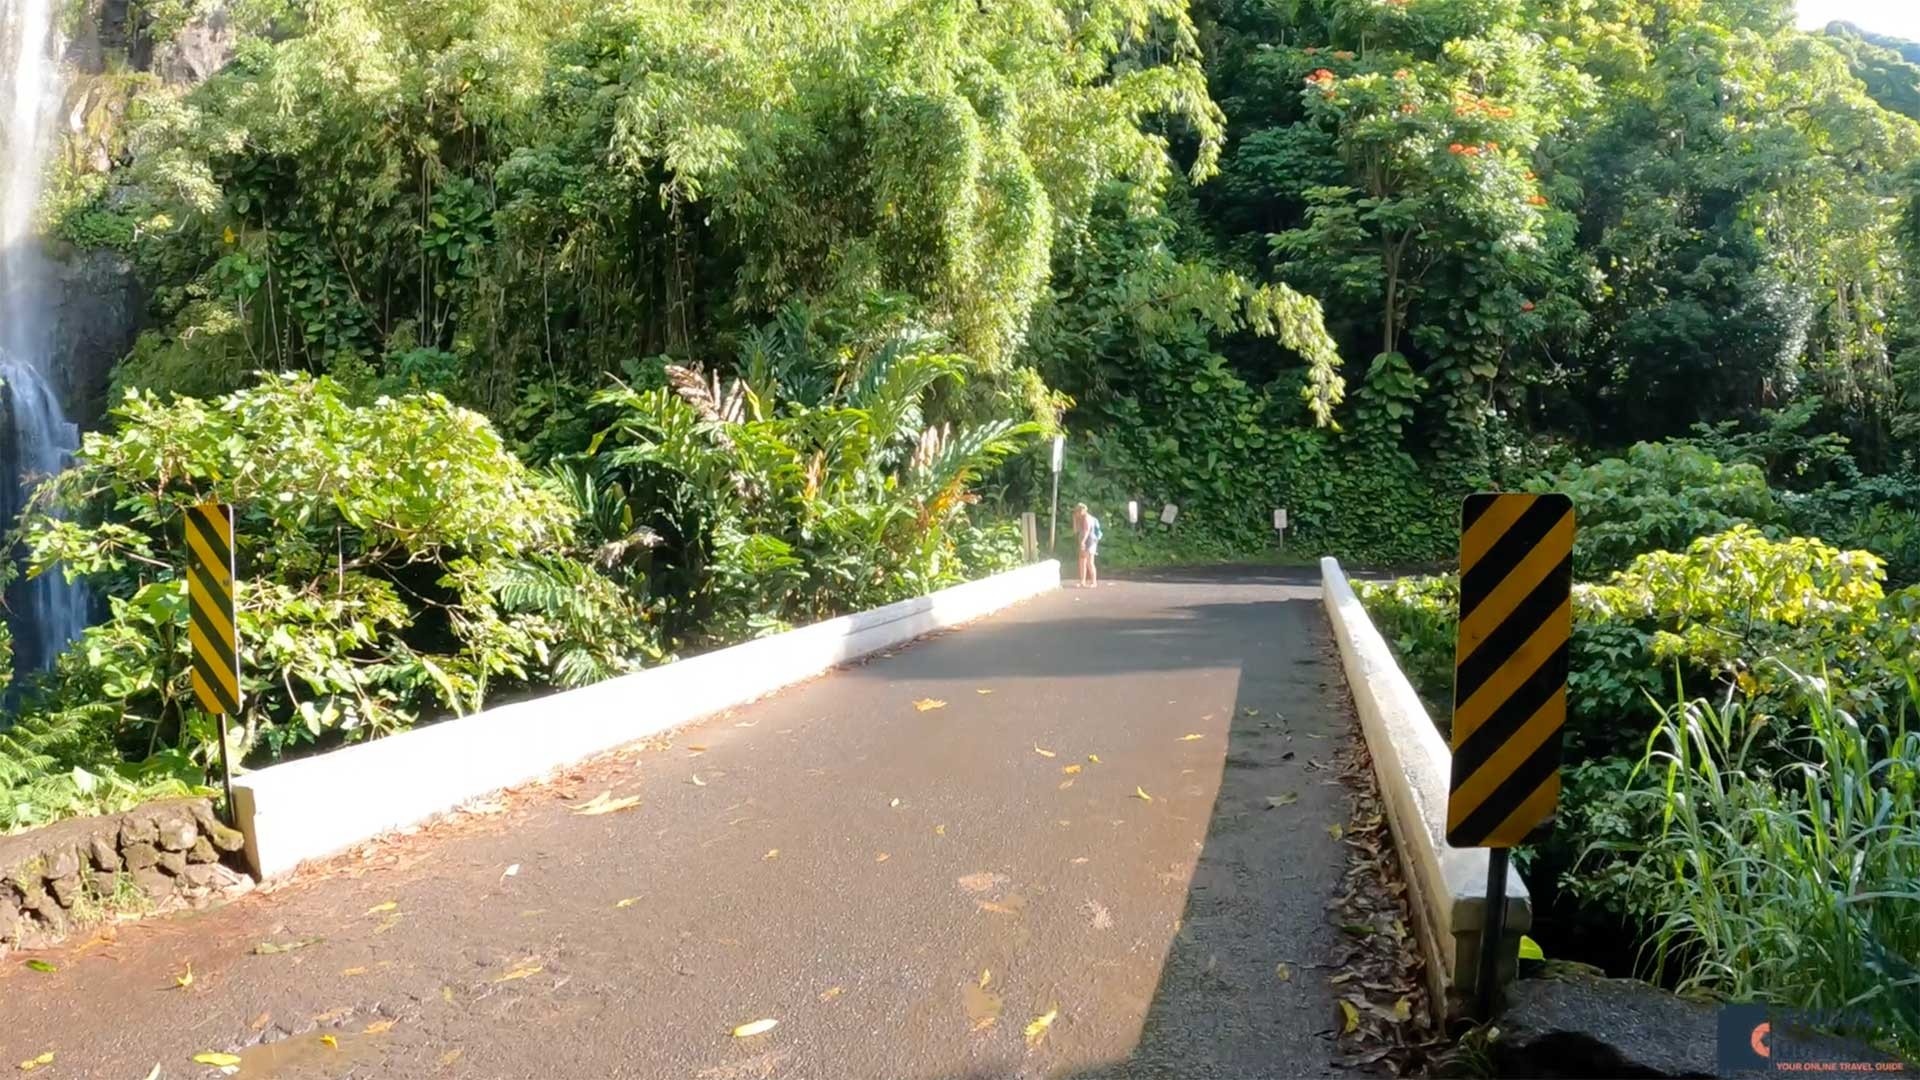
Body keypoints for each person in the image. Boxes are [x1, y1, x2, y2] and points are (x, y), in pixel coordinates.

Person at [1073, 503, 1102, 588]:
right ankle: (1082, 581)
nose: (1077, 513)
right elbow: (1075, 531)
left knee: (1090, 562)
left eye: (1078, 511)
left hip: (1090, 542)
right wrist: (1074, 520)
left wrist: (1083, 542)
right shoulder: (1080, 519)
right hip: (1083, 541)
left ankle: (1094, 582)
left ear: (1082, 511)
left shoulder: (1087, 518)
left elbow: (1087, 531)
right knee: (1082, 561)